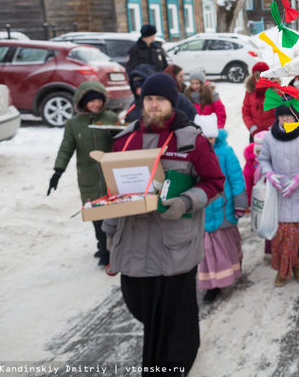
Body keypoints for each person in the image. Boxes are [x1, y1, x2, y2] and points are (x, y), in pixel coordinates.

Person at [102, 73, 225, 375]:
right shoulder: (124, 139)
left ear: (172, 101)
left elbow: (214, 182)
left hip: (174, 241)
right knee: (139, 303)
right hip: (133, 239)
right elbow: (113, 191)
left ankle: (172, 363)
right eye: (148, 99)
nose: (153, 104)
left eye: (160, 99)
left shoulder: (190, 139)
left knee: (173, 311)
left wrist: (186, 202)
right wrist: (109, 232)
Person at [48, 81, 119, 267]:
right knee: (95, 215)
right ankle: (102, 244)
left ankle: (109, 250)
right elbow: (66, 148)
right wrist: (57, 172)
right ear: (82, 102)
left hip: (110, 175)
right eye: (92, 101)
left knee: (112, 214)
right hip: (88, 177)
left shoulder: (111, 118)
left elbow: (122, 141)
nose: (96, 104)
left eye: (99, 100)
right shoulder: (73, 124)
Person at [194, 114, 246, 304]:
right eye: (204, 138)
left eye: (211, 138)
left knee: (227, 244)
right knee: (208, 249)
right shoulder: (193, 153)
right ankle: (213, 284)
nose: (208, 142)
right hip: (204, 210)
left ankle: (233, 269)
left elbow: (236, 178)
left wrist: (240, 203)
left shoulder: (225, 151)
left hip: (225, 208)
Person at [258, 104, 299, 286]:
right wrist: (270, 174)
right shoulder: (269, 138)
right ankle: (282, 268)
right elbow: (263, 160)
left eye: (288, 116)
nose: (285, 120)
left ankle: (298, 266)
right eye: (281, 116)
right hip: (278, 193)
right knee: (282, 235)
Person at [126, 64, 196, 123]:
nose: (154, 105)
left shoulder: (180, 101)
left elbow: (193, 125)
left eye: (160, 99)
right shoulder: (133, 106)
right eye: (136, 88)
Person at [242, 62, 276, 143]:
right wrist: (252, 128)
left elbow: (278, 114)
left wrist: (272, 128)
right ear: (254, 78)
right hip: (255, 133)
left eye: (263, 78)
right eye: (257, 78)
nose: (260, 81)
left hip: (272, 133)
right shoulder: (250, 93)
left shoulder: (275, 93)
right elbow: (246, 113)